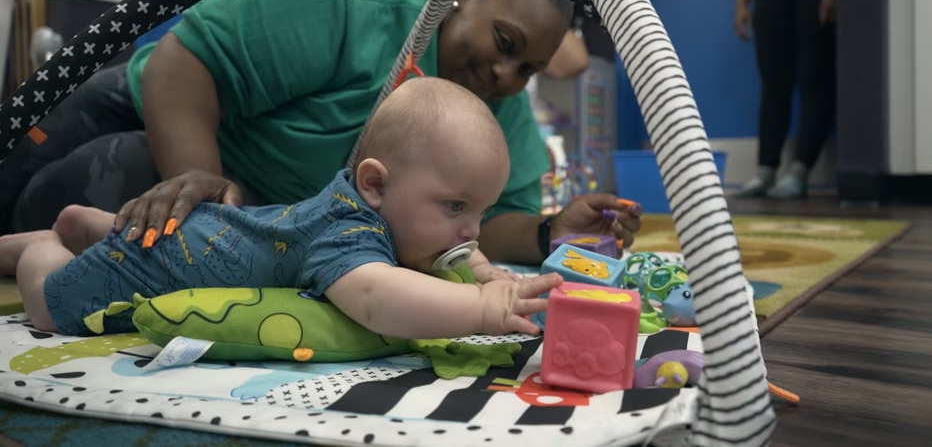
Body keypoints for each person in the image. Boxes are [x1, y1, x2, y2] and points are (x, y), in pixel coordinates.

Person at [0, 0, 638, 266]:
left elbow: (475, 223)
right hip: (163, 112)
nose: (506, 75)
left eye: (527, 68)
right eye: (504, 44)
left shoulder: (497, 107)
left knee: (84, 211)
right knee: (38, 183)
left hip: (248, 198)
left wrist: (552, 231)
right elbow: (183, 62)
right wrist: (195, 174)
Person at [0, 77, 565, 338]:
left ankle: (96, 226)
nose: (470, 230)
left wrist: (484, 273)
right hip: (150, 261)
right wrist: (485, 309)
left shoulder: (370, 208)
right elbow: (375, 297)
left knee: (193, 231)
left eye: (480, 213)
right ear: (375, 184)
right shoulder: (349, 234)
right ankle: (43, 246)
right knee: (53, 307)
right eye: (456, 206)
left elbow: (446, 260)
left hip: (205, 229)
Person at [734, 0, 838, 199]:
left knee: (815, 76)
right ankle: (765, 171)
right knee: (773, 80)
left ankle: (800, 170)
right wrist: (742, 3)